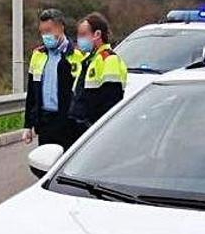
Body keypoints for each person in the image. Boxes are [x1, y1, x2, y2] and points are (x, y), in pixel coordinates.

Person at [22, 9, 85, 150]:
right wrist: (28, 125)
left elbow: (83, 94)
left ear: (61, 27)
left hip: (69, 124)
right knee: (45, 166)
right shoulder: (38, 55)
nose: (45, 36)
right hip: (44, 122)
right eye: (42, 32)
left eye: (49, 31)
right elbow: (32, 93)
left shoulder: (77, 56)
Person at [68, 12, 128, 142]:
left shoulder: (109, 59)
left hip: (94, 131)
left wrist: (93, 126)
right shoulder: (89, 60)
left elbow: (111, 101)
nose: (79, 39)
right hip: (80, 130)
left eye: (83, 35)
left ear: (97, 35)